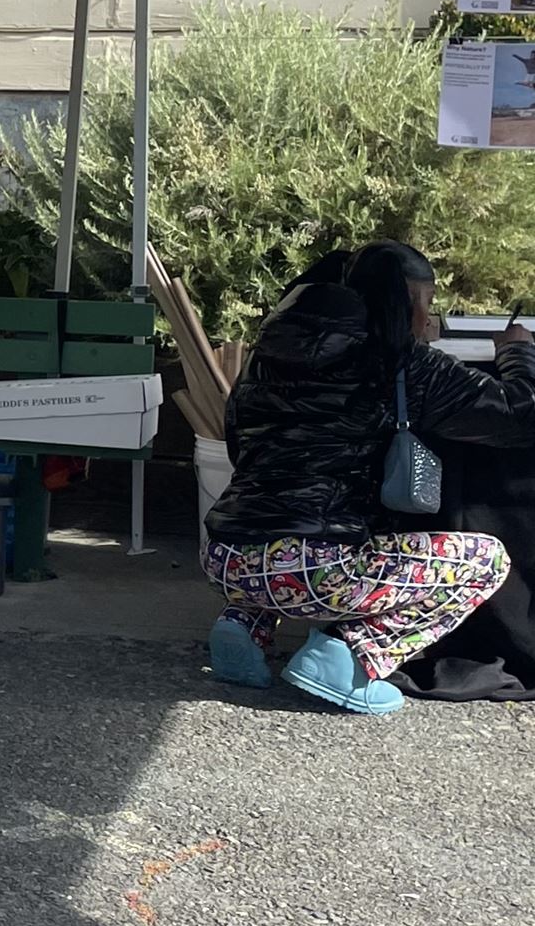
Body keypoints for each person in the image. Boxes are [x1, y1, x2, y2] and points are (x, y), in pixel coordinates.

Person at [201, 241, 535, 713]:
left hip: (226, 556)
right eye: (426, 304)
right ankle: (348, 656)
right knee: (486, 561)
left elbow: (239, 445)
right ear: (403, 302)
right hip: (311, 570)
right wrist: (518, 354)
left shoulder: (267, 354)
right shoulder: (402, 363)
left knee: (288, 535)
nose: (428, 321)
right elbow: (519, 417)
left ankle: (240, 625)